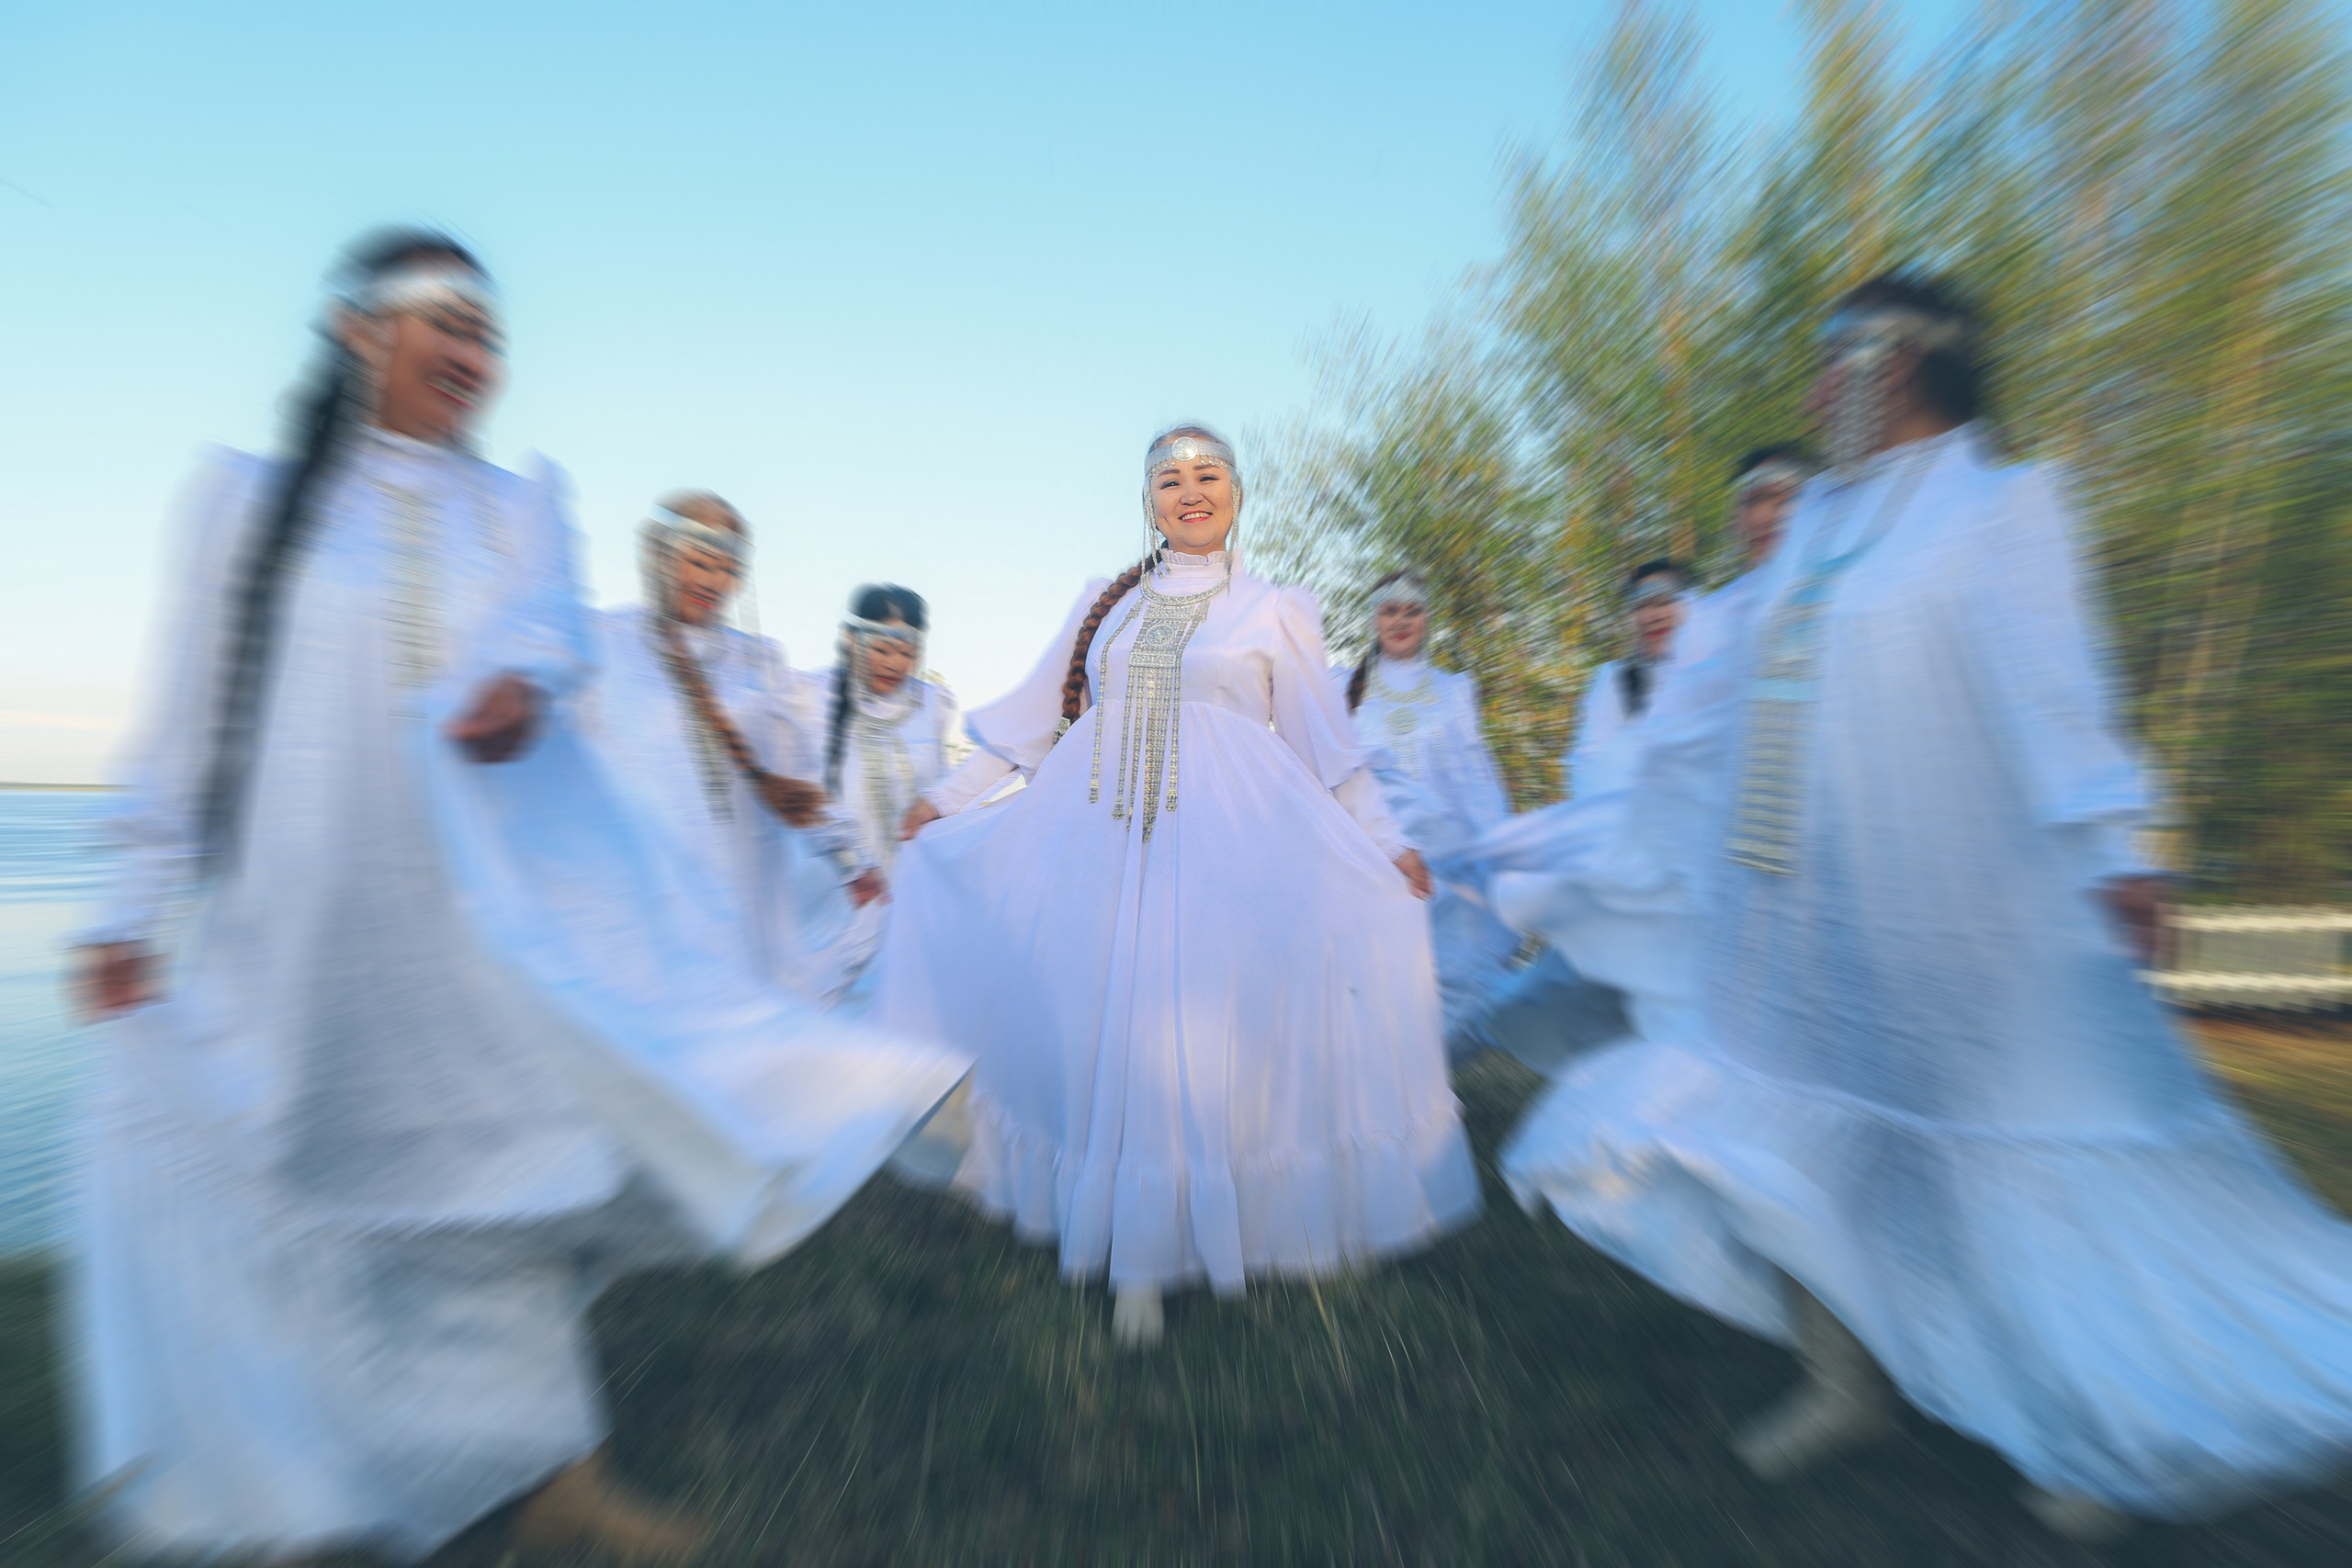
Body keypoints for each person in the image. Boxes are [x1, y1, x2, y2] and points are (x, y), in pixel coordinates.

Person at [69, 231, 967, 1565]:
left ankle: (553, 1474)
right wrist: (132, 901)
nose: (479, 355)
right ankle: (307, 1471)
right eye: (451, 323)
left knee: (508, 1172)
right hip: (303, 919)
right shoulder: (248, 504)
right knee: (301, 1175)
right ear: (357, 331)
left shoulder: (516, 504)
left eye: (493, 335)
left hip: (480, 918)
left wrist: (525, 681)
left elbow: (550, 619)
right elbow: (191, 722)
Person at [1502, 274, 2352, 1540]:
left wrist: (2122, 846)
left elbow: (2057, 691)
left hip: (1954, 911)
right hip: (1790, 923)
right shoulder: (1809, 545)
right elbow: (1702, 721)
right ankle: (1844, 1383)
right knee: (1795, 1133)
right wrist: (1604, 852)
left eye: (1827, 366)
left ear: (1896, 365)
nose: (1810, 394)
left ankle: (2088, 1421)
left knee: (1997, 1158)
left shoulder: (1998, 509)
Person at [878, 424, 1478, 1348]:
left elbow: (1328, 749)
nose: (1189, 492)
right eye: (1169, 479)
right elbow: (1027, 729)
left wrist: (1388, 842)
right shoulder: (1102, 603)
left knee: (1189, 1028)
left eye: (1208, 476)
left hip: (1228, 849)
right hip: (1098, 840)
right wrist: (944, 802)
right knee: (1110, 1025)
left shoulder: (1280, 608)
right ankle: (1132, 1254)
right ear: (1147, 499)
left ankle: (1188, 1234)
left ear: (1236, 492)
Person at [574, 492, 883, 1007]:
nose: (713, 582)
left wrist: (852, 860)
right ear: (657, 555)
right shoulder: (601, 642)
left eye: (727, 568)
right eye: (698, 562)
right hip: (651, 895)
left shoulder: (759, 662)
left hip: (745, 895)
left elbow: (798, 778)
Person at [1337, 570, 1517, 1055]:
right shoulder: (1340, 688)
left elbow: (1476, 779)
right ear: (1373, 618)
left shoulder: (1455, 690)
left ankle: (1422, 1094)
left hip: (1440, 868)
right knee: (1367, 984)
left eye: (1412, 610)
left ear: (1427, 617)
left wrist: (1496, 846)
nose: (1400, 620)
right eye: (1389, 610)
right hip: (1365, 859)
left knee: (1441, 981)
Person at [1563, 559, 1690, 800]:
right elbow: (1589, 766)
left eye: (1664, 601)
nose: (1652, 616)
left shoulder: (1719, 672)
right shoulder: (1615, 681)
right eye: (1640, 606)